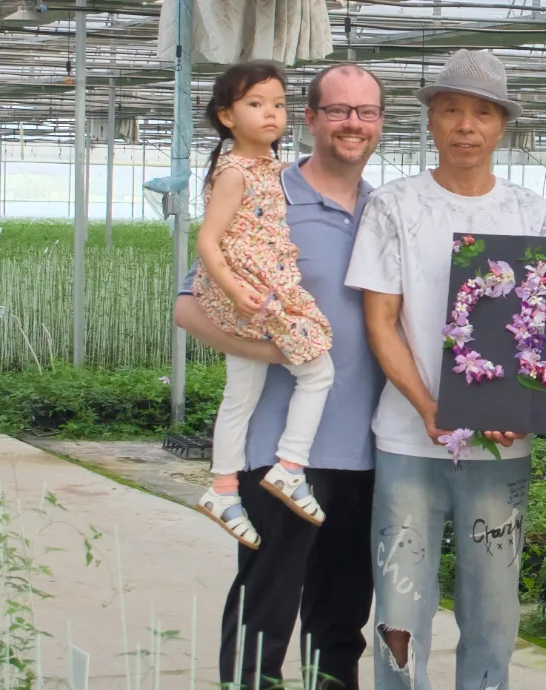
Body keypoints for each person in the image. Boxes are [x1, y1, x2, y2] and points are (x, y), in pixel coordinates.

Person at [343, 48, 546, 689]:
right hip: (409, 440)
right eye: (452, 111)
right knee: (401, 607)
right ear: (431, 122)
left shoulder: (530, 212)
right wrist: (430, 408)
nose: (466, 125)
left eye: (482, 113)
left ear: (502, 126)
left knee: (492, 611)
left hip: (500, 448)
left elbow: (541, 326)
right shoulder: (394, 207)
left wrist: (522, 408)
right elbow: (382, 321)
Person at [175, 62, 388, 688]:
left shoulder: (386, 209)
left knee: (342, 615)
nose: (353, 123)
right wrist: (276, 352)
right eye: (339, 110)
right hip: (280, 454)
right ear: (313, 119)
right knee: (266, 603)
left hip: (368, 449)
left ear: (379, 123)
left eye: (366, 112)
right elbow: (187, 307)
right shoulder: (266, 193)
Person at [188, 61, 334, 544]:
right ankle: (290, 465)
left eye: (277, 104)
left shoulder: (270, 167)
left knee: (240, 395)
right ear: (227, 116)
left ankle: (223, 486)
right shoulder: (234, 171)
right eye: (256, 104)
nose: (271, 114)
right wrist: (233, 290)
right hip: (254, 290)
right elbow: (207, 240)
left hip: (256, 284)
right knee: (318, 370)